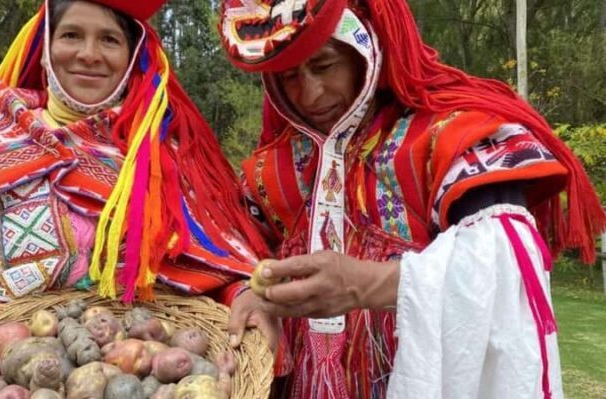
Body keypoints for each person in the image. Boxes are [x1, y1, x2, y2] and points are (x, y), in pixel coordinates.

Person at [0, 1, 270, 398]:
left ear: (134, 56)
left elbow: (209, 258)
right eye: (71, 35)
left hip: (135, 360)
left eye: (109, 40)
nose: (89, 54)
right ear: (44, 44)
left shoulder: (164, 157)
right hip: (0, 359)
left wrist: (242, 293)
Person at [220, 0, 605, 398]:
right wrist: (251, 295)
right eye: (288, 77)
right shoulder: (271, 170)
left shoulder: (447, 137)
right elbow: (236, 255)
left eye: (324, 65)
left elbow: (505, 264)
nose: (310, 94)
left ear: (364, 48)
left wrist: (365, 285)